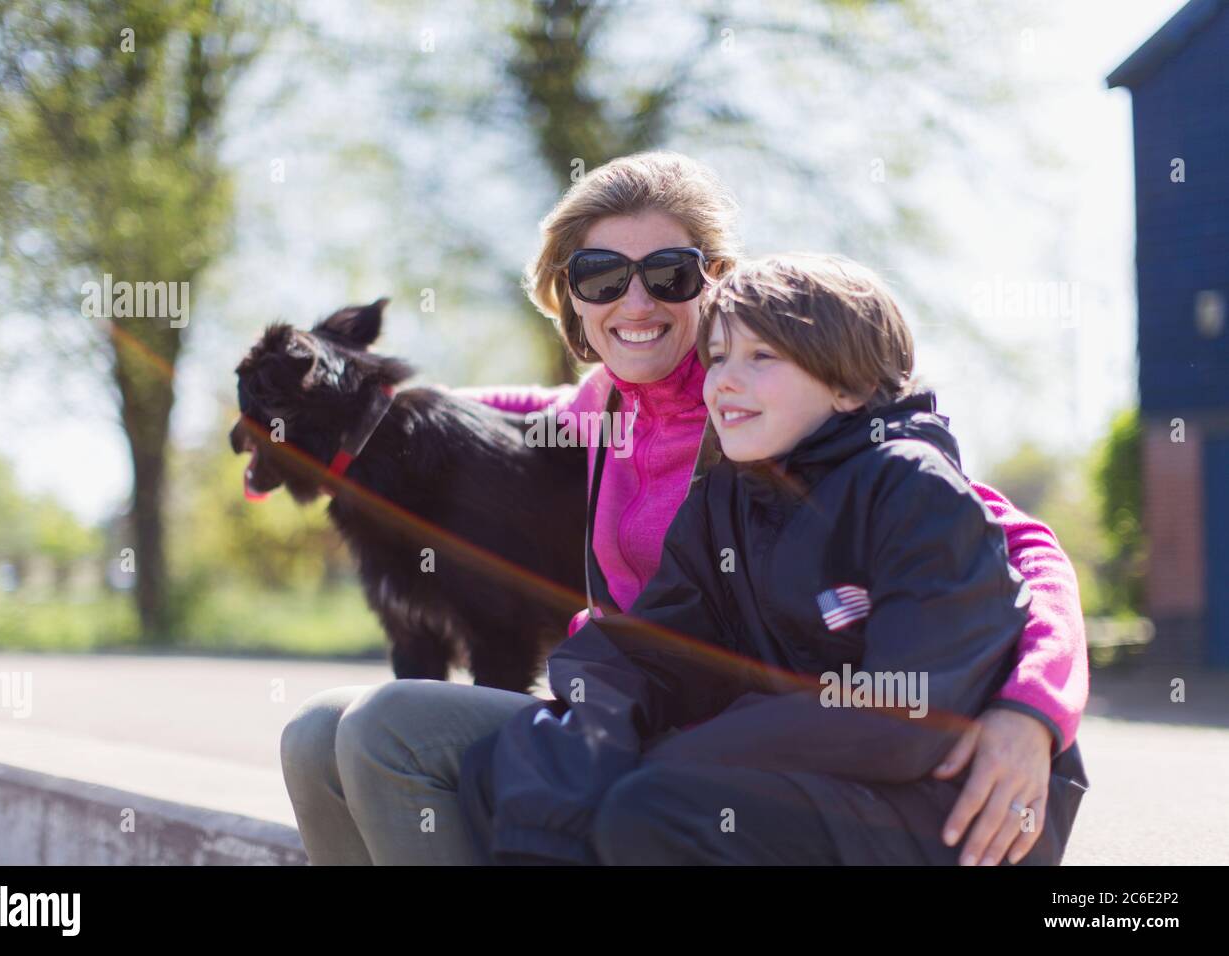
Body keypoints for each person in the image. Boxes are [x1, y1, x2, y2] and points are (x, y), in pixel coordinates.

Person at [279, 152, 1088, 866]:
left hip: (737, 744)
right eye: (601, 277)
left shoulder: (766, 418)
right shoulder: (603, 410)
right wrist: (343, 405)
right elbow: (485, 412)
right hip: (636, 712)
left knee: (387, 729)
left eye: (667, 274)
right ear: (572, 298)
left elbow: (1014, 548)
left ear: (716, 281)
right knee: (316, 734)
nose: (634, 302)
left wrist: (1032, 711)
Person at [456, 252, 1089, 865]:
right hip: (821, 777)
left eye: (762, 357)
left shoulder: (909, 487)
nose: (725, 379)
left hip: (955, 801)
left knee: (656, 809)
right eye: (720, 356)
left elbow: (905, 712)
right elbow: (653, 650)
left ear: (850, 386)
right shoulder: (729, 495)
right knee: (515, 771)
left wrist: (679, 755)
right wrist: (577, 742)